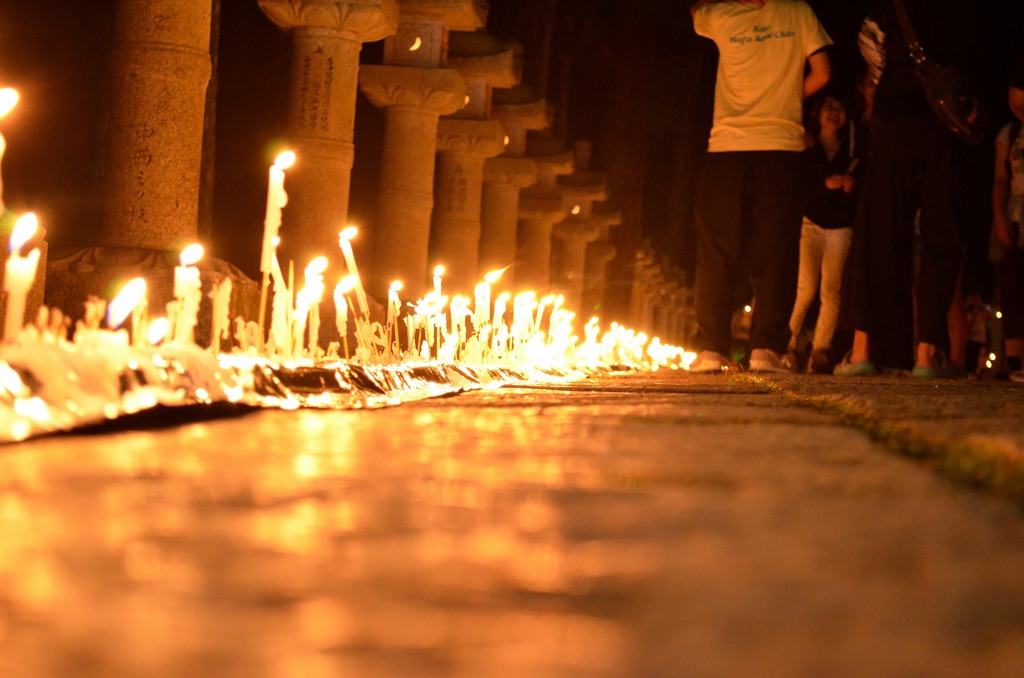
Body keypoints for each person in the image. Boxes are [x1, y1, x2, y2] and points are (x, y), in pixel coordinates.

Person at [837, 0, 994, 378]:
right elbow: (975, 65)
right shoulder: (965, 11)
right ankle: (926, 354)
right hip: (941, 130)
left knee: (878, 237)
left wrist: (885, 83)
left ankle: (861, 351)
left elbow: (870, 52)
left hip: (893, 129)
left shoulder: (887, 8)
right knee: (941, 239)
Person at [688, 0, 832, 373]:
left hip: (726, 149)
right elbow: (822, 73)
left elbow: (694, 11)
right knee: (776, 250)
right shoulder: (799, 11)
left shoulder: (720, 14)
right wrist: (784, 99)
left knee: (717, 250)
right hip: (781, 149)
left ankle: (710, 348)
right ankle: (765, 350)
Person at [787, 91, 859, 374]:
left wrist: (850, 186)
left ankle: (820, 350)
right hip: (811, 223)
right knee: (805, 288)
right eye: (829, 106)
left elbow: (860, 188)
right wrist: (824, 184)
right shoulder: (806, 145)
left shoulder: (852, 148)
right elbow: (797, 187)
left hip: (840, 226)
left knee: (832, 290)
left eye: (840, 107)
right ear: (817, 113)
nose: (834, 112)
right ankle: (786, 346)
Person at [992, 39, 1024, 382]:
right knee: (1012, 287)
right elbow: (1000, 178)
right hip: (1015, 214)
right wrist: (1000, 217)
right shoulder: (1009, 132)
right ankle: (1014, 360)